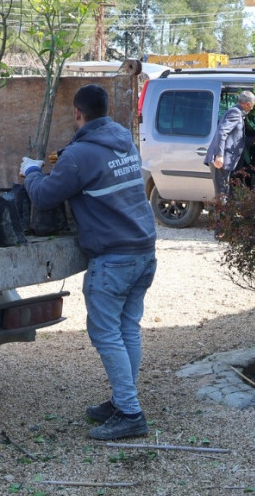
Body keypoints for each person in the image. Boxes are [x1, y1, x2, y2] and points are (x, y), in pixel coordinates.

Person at [21, 85, 158, 440]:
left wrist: (32, 171)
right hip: (144, 249)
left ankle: (130, 412)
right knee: (128, 327)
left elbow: (44, 197)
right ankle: (122, 400)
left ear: (77, 114)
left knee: (105, 333)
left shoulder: (80, 155)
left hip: (114, 257)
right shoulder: (123, 139)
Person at [203, 90, 255, 199]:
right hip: (221, 160)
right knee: (222, 194)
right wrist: (219, 155)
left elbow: (237, 138)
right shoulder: (235, 113)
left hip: (226, 161)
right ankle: (220, 215)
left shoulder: (238, 113)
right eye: (252, 106)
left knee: (226, 193)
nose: (252, 108)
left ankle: (224, 215)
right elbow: (222, 132)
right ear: (248, 104)